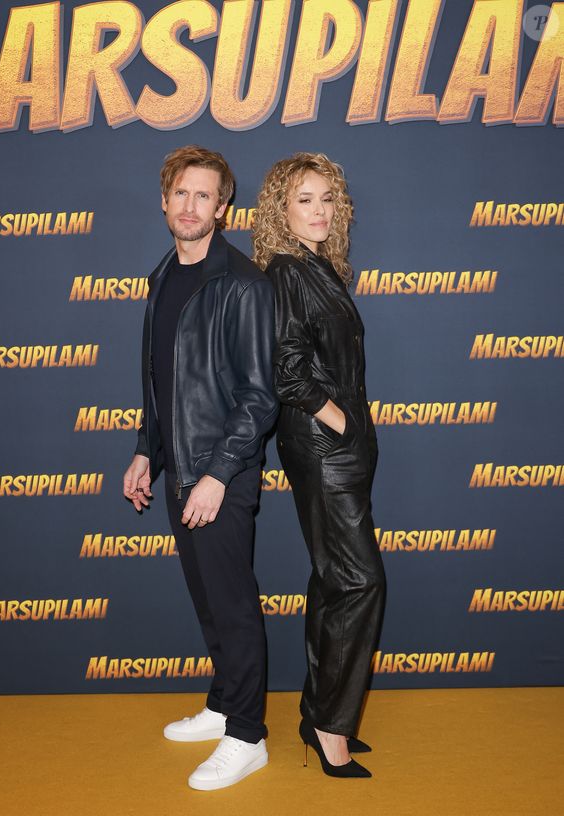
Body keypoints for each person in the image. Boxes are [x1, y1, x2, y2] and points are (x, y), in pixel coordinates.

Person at [123, 145, 278, 791]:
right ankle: (223, 705)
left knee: (234, 606)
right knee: (210, 603)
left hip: (222, 475)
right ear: (165, 201)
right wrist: (144, 450)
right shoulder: (164, 275)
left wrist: (216, 475)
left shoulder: (241, 282)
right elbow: (165, 384)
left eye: (204, 196)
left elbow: (258, 395)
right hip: (183, 468)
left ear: (223, 207)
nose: (191, 206)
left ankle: (247, 736)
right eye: (180, 193)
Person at [252, 153, 386, 778]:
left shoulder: (319, 268)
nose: (320, 210)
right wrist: (341, 423)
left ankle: (317, 711)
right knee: (360, 582)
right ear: (281, 209)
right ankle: (332, 726)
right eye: (305, 199)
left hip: (342, 450)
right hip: (323, 447)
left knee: (334, 581)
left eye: (328, 198)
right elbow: (287, 370)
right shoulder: (285, 271)